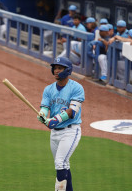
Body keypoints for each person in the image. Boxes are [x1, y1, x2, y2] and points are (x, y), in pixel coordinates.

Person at [37, 57, 85, 191]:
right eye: (55, 68)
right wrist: (42, 114)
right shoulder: (49, 89)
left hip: (70, 131)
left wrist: (55, 119)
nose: (56, 71)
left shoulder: (76, 88)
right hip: (55, 133)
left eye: (60, 68)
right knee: (63, 164)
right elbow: (45, 106)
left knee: (60, 163)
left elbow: (72, 111)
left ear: (67, 70)